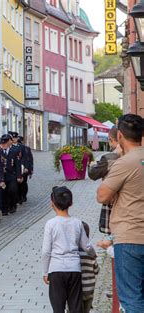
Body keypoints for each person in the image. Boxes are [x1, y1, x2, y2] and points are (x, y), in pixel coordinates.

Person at [96, 114, 144, 313]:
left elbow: (102, 195)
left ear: (121, 136)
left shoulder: (124, 163)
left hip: (130, 235)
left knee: (132, 299)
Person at [42, 186, 96, 313]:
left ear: (52, 203)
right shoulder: (77, 222)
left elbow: (46, 251)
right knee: (75, 306)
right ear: (71, 203)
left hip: (56, 269)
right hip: (74, 269)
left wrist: (45, 272)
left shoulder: (50, 224)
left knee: (58, 307)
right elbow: (86, 246)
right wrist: (93, 254)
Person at [79, 222, 100, 313]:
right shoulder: (90, 254)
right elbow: (96, 270)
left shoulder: (73, 254)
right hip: (89, 290)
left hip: (76, 291)